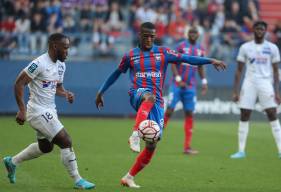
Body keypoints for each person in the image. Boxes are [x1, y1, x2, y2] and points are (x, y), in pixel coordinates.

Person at [95, 22, 226, 188]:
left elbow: (187, 59)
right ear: (139, 36)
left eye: (152, 36)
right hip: (138, 94)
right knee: (148, 97)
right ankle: (134, 135)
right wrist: (101, 92)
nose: (149, 39)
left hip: (156, 102)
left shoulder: (163, 52)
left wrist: (210, 60)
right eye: (146, 36)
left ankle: (129, 177)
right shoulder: (130, 56)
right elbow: (115, 74)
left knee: (153, 143)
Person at [3, 33, 95, 189]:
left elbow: (56, 88)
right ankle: (78, 180)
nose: (67, 51)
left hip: (50, 110)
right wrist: (21, 110)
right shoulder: (39, 63)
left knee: (46, 147)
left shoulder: (61, 65)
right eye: (65, 48)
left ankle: (12, 162)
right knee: (66, 140)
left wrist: (66, 94)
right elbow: (19, 83)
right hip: (37, 111)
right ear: (54, 46)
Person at [230, 21, 281, 159]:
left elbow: (276, 71)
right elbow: (239, 70)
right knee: (245, 114)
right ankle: (241, 151)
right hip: (249, 82)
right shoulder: (245, 47)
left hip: (266, 83)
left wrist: (277, 91)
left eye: (262, 29)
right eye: (257, 29)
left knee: (272, 113)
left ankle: (280, 150)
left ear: (265, 31)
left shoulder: (272, 48)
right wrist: (235, 90)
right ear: (253, 30)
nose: (260, 31)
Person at [164, 26, 208, 155]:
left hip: (190, 86)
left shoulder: (201, 49)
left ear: (198, 34)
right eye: (191, 32)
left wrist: (204, 81)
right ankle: (155, 137)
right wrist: (178, 79)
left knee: (189, 113)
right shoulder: (181, 46)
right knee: (170, 110)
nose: (193, 34)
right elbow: (172, 63)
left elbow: (200, 66)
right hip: (177, 85)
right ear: (187, 34)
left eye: (195, 32)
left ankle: (187, 147)